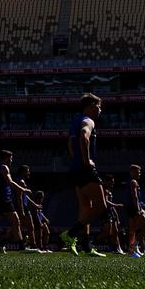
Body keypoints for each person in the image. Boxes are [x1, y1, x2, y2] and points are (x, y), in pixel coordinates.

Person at [60, 94, 107, 256]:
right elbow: (84, 137)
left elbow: (69, 143)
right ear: (90, 105)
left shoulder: (76, 120)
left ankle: (86, 246)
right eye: (98, 106)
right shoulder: (88, 120)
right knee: (101, 206)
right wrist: (86, 160)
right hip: (85, 168)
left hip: (75, 168)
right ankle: (71, 234)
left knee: (85, 208)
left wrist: (76, 159)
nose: (100, 109)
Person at [0, 150, 30, 254]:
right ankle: (22, 247)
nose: (12, 160)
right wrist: (23, 189)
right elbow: (10, 182)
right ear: (7, 158)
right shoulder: (4, 167)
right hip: (4, 199)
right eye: (11, 158)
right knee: (16, 220)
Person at [125, 164, 145, 257]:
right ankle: (134, 246)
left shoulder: (130, 181)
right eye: (137, 172)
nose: (139, 173)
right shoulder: (133, 182)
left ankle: (132, 251)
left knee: (133, 230)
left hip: (132, 207)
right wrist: (139, 209)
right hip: (135, 208)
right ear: (132, 172)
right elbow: (135, 196)